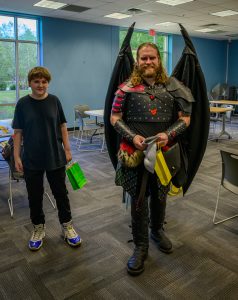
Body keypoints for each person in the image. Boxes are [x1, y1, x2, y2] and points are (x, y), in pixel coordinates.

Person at [110, 43, 194, 275]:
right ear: (137, 61)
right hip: (134, 153)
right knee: (138, 199)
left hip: (164, 153)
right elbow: (114, 117)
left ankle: (157, 230)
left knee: (160, 194)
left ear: (159, 60)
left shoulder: (174, 87)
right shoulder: (125, 89)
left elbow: (185, 119)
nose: (148, 62)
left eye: (152, 58)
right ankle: (140, 245)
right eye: (144, 58)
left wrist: (168, 134)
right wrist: (132, 136)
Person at [13, 66, 81, 251]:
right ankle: (38, 228)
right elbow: (17, 132)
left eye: (44, 82)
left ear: (47, 83)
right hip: (32, 158)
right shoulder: (22, 104)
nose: (40, 85)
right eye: (37, 81)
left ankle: (67, 226)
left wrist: (67, 150)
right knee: (34, 196)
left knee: (61, 194)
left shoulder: (54, 101)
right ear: (30, 83)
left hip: (55, 155)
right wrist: (16, 156)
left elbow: (63, 126)